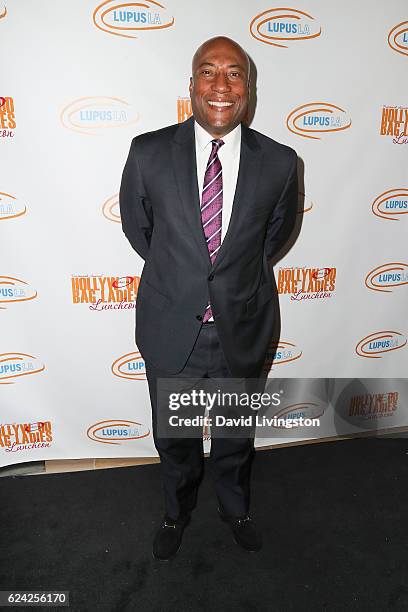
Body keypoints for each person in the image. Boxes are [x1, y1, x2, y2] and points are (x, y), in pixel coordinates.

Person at [119, 36, 298, 560]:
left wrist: (226, 283)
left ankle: (235, 508)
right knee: (174, 439)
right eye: (208, 71)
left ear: (250, 88)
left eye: (235, 73)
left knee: (234, 439)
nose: (221, 84)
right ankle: (176, 513)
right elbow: (140, 231)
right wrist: (188, 280)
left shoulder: (281, 162)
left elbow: (274, 238)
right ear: (192, 85)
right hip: (173, 326)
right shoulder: (148, 153)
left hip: (241, 327)